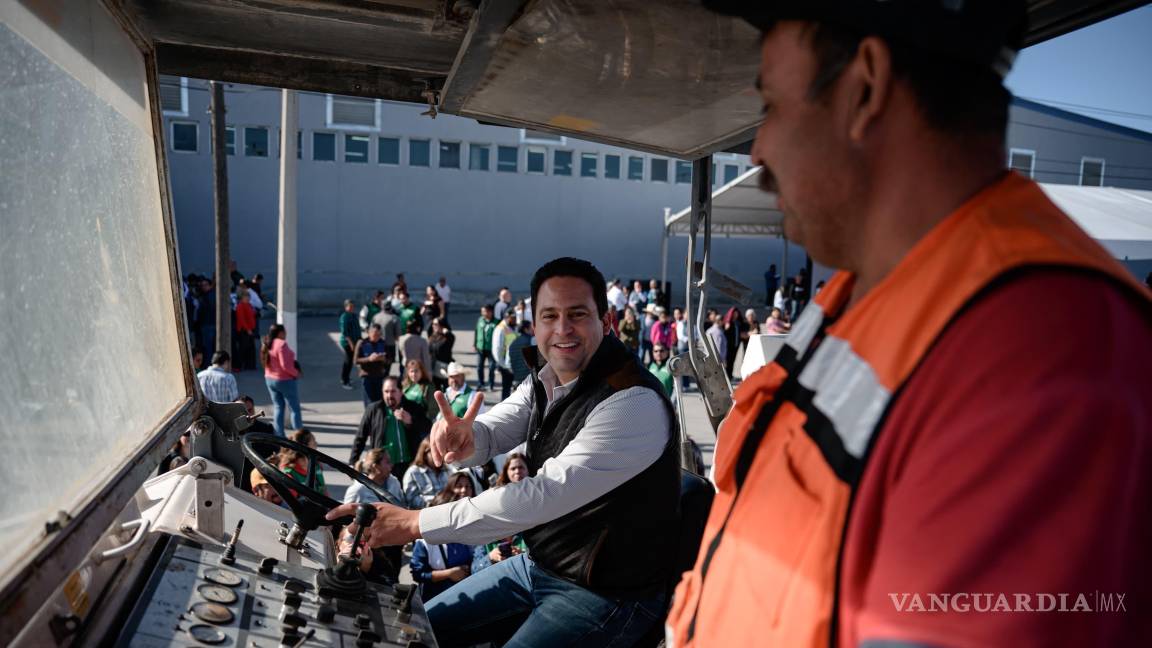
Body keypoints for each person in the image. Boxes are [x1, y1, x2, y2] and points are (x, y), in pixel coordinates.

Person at [667, 3, 1152, 647]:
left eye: (771, 107)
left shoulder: (1045, 346)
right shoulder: (865, 285)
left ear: (865, 87)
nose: (757, 149)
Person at [327, 257, 679, 647]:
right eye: (549, 316)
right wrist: (464, 436)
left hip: (609, 593)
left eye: (577, 314)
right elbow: (494, 432)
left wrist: (414, 523)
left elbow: (538, 497)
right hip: (543, 564)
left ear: (607, 320)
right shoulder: (548, 376)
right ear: (535, 323)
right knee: (414, 633)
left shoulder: (633, 403)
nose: (562, 329)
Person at [409, 473, 476, 601]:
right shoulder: (425, 541)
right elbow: (418, 574)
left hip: (468, 596)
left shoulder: (470, 530)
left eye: (468, 486)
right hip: (437, 598)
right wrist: (449, 574)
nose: (464, 490)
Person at [349, 376, 432, 479]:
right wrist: (353, 462)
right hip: (381, 467)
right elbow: (360, 437)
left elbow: (428, 428)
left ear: (401, 392)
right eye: (386, 392)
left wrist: (411, 421)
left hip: (408, 465)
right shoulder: (374, 410)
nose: (389, 395)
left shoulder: (413, 407)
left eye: (393, 391)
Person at [470, 452, 530, 574]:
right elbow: (474, 570)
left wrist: (525, 557)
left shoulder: (528, 531)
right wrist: (490, 558)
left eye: (521, 467)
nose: (517, 471)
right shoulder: (485, 538)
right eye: (513, 468)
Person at [262, 323, 302, 438]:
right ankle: (299, 436)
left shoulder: (268, 343)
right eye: (284, 332)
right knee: (294, 408)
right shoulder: (281, 344)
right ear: (280, 333)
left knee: (278, 407)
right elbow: (285, 365)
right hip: (284, 379)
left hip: (270, 378)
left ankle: (279, 435)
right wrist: (296, 373)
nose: (285, 334)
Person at [401, 438, 450, 507]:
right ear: (424, 453)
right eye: (436, 451)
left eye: (441, 451)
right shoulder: (413, 472)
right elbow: (411, 499)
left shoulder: (447, 469)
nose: (440, 454)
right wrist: (434, 502)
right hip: (425, 512)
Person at [279, 428, 327, 497]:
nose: (316, 444)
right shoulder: (290, 473)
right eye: (313, 442)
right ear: (305, 447)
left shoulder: (316, 466)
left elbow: (324, 491)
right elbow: (290, 502)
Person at [354, 324, 391, 406]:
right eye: (375, 334)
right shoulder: (362, 343)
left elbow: (389, 360)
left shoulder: (383, 343)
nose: (377, 337)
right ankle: (369, 417)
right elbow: (356, 360)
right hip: (367, 376)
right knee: (369, 402)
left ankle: (377, 417)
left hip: (379, 376)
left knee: (379, 401)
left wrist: (384, 359)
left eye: (379, 334)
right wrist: (369, 359)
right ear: (369, 333)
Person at [490, 310, 519, 400]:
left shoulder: (513, 327)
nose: (515, 320)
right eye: (513, 318)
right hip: (505, 364)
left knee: (516, 388)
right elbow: (497, 349)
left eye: (515, 318)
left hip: (513, 362)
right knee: (506, 388)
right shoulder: (500, 329)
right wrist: (503, 365)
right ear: (507, 318)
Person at [338, 299, 361, 390]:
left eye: (352, 306)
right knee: (348, 361)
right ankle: (345, 381)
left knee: (349, 361)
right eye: (350, 306)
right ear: (345, 307)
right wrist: (351, 344)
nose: (352, 308)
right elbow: (345, 332)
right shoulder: (344, 317)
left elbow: (357, 328)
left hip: (355, 341)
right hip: (348, 343)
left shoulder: (353, 315)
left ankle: (345, 377)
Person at [474, 305, 497, 391]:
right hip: (481, 347)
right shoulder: (480, 320)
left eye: (485, 311)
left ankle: (491, 384)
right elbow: (476, 331)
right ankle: (481, 383)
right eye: (482, 311)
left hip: (491, 349)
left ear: (491, 312)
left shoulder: (496, 322)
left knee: (491, 367)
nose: (483, 313)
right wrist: (475, 344)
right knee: (479, 367)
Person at [427, 317, 455, 389]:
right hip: (433, 366)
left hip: (444, 366)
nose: (433, 326)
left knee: (446, 388)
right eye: (433, 324)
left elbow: (452, 337)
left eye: (436, 324)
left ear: (442, 326)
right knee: (436, 388)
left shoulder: (447, 338)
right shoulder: (432, 336)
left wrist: (446, 332)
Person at [234, 290, 258, 371]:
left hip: (250, 329)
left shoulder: (248, 305)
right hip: (244, 330)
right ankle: (240, 365)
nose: (248, 298)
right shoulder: (240, 306)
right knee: (243, 348)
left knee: (250, 348)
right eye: (246, 297)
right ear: (242, 298)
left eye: (248, 296)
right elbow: (241, 319)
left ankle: (250, 365)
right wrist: (247, 329)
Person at [506, 321, 535, 388]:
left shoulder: (511, 344)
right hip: (531, 380)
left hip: (517, 381)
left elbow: (507, 364)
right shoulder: (532, 340)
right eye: (531, 327)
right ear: (526, 329)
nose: (533, 329)